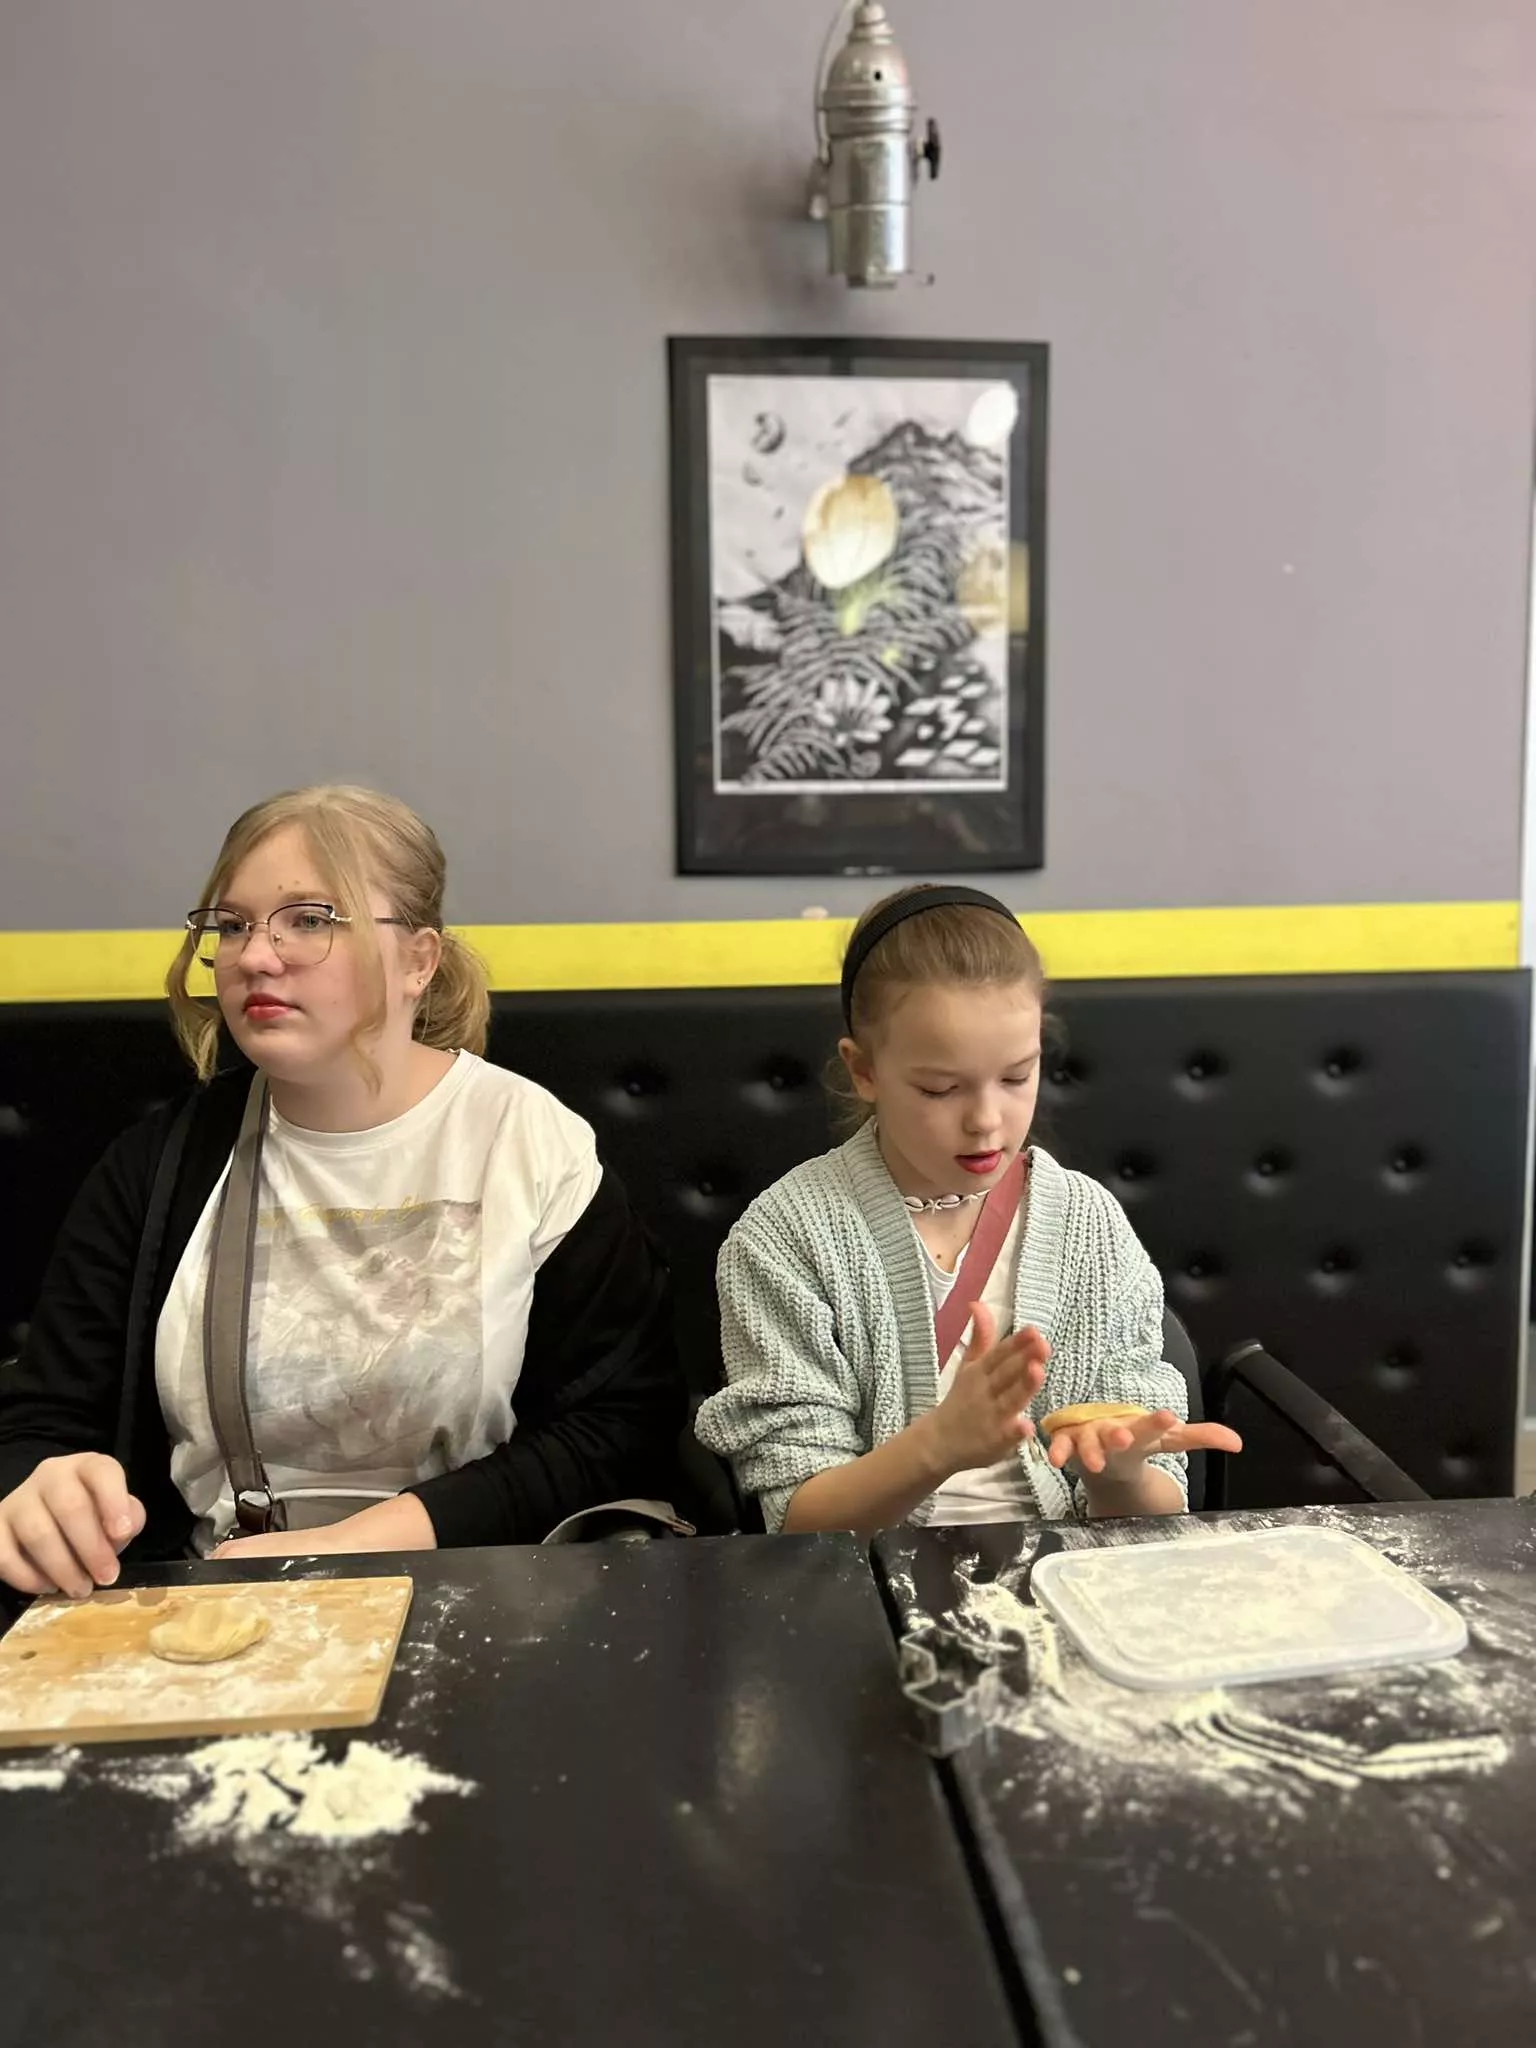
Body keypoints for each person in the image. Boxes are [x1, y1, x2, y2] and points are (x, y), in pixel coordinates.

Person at [0, 785, 683, 1599]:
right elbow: (42, 1420)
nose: (257, 956)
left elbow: (619, 1426)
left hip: (486, 1590)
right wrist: (39, 1487)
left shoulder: (531, 1144)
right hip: (218, 1599)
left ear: (418, 961)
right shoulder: (158, 1165)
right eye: (232, 925)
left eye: (310, 920)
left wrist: (355, 1545)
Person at [696, 884, 1241, 1536]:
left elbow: (1153, 1516)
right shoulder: (786, 1237)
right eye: (940, 1088)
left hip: (1069, 1575)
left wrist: (1117, 1476)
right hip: (870, 1582)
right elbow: (797, 1523)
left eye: (1016, 1077)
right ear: (864, 1070)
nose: (986, 1121)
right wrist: (937, 1446)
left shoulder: (1088, 1224)